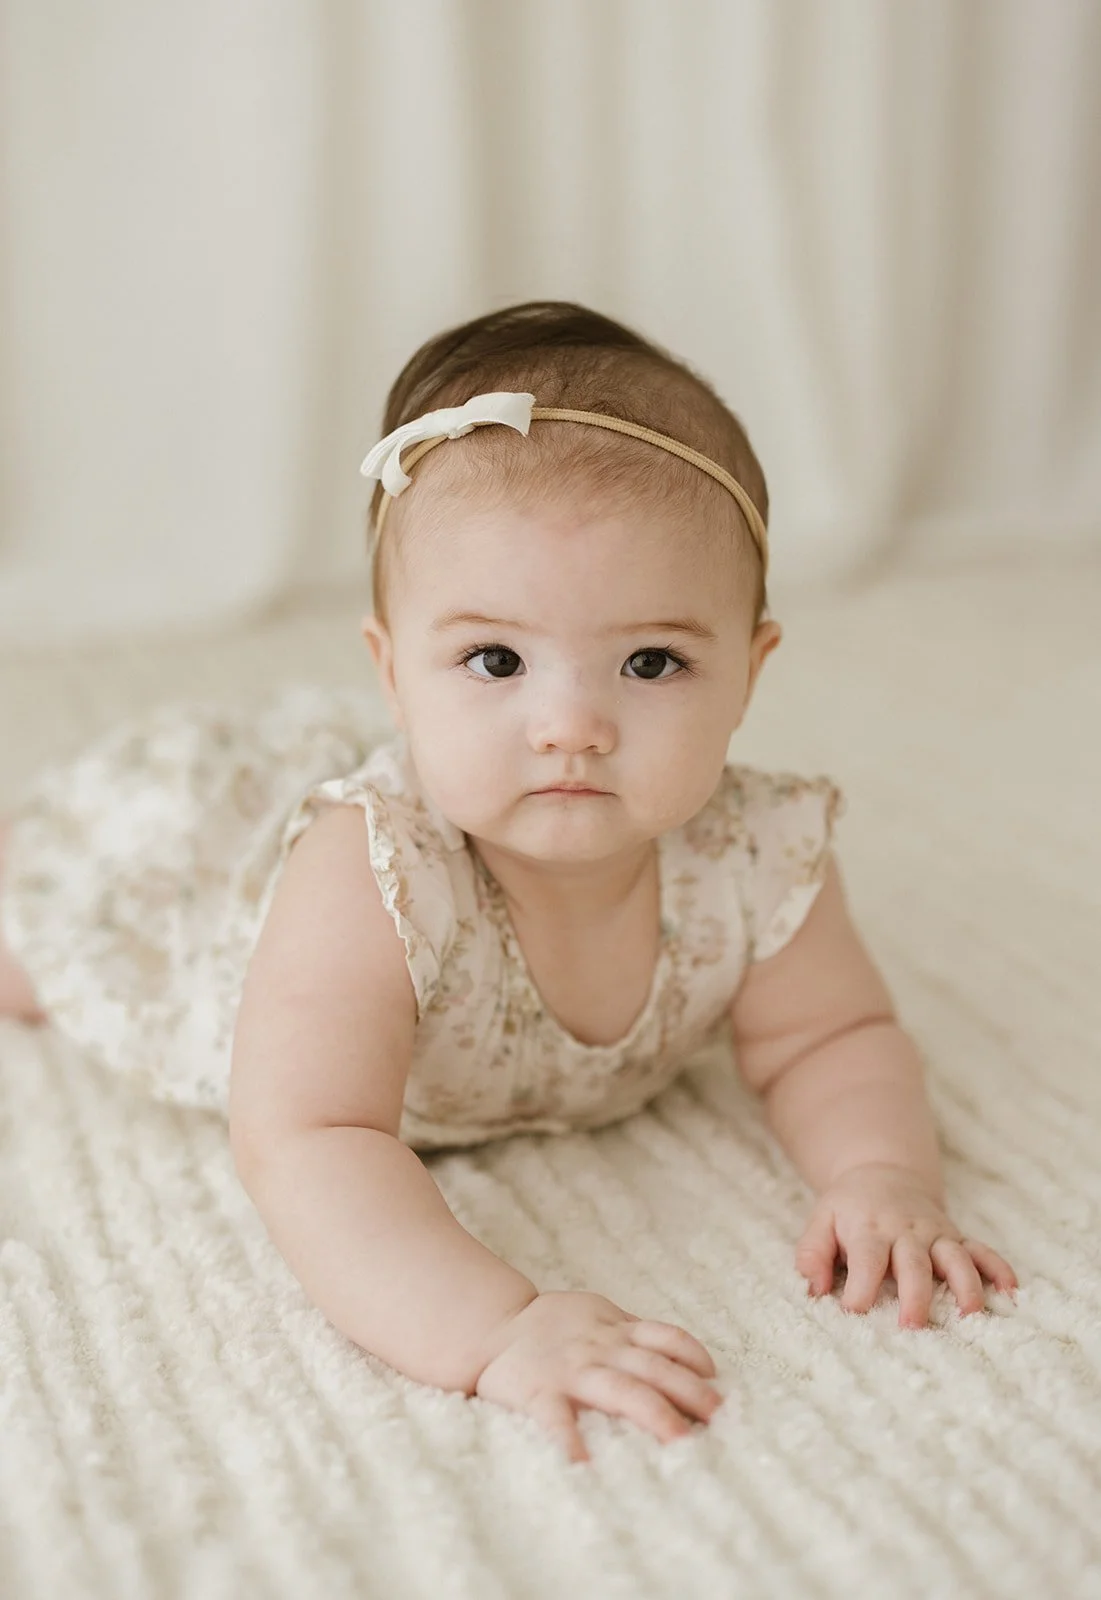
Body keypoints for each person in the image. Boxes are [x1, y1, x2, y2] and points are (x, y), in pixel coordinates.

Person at [0, 300, 1017, 1464]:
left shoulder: (757, 849)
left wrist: (882, 1174)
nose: (570, 725)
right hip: (207, 905)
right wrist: (494, 1327)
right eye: (494, 659)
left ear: (749, 669)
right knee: (48, 926)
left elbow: (833, 1034)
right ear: (393, 669)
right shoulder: (372, 871)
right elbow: (309, 1133)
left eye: (652, 661)